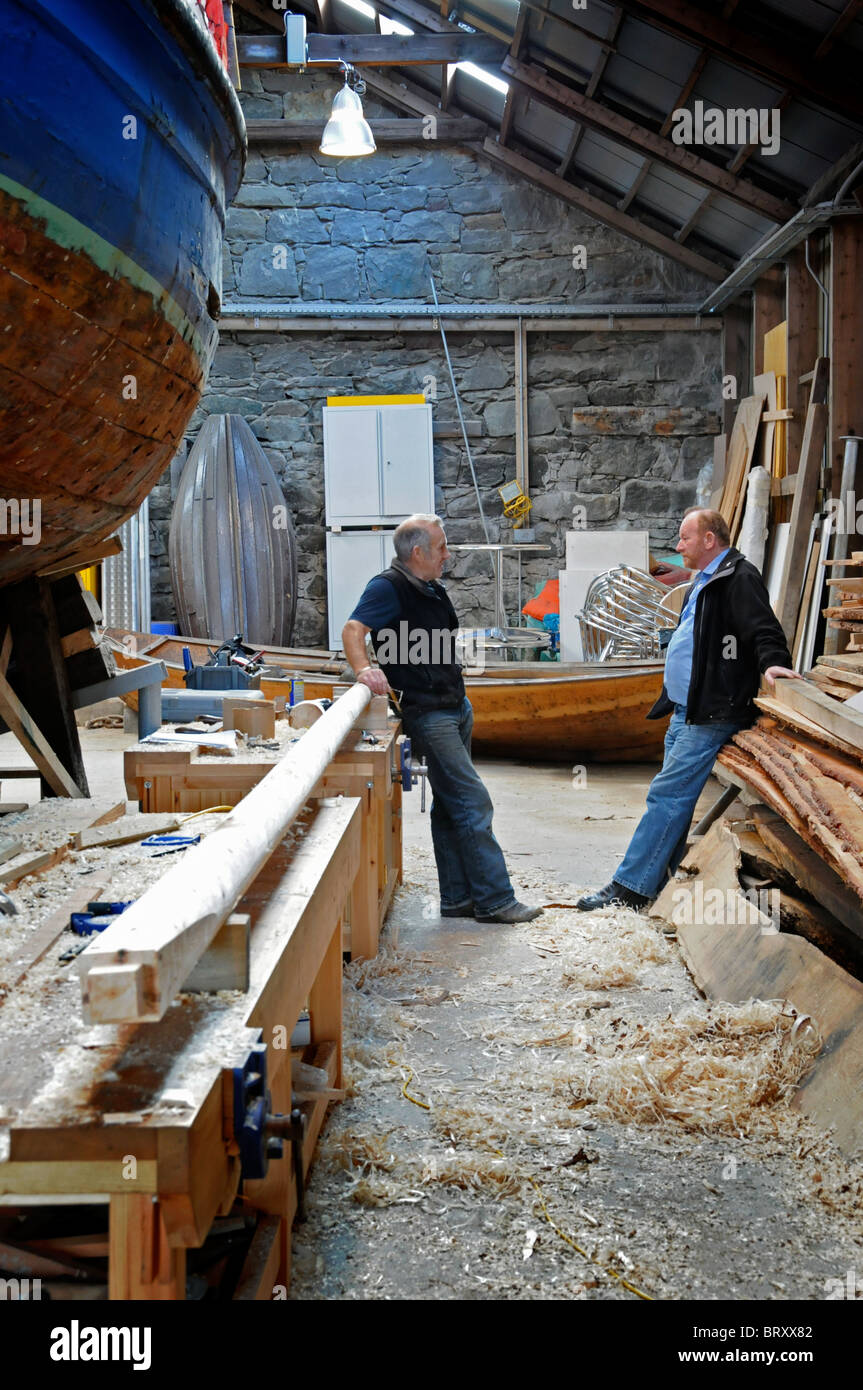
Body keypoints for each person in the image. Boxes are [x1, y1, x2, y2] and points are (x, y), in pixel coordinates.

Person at [577, 507, 801, 911]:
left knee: (666, 797)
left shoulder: (739, 577)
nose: (678, 546)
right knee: (673, 802)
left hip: (712, 712)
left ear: (710, 540)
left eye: (685, 538)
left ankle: (627, 891)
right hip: (686, 708)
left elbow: (763, 628)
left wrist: (772, 663)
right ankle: (655, 884)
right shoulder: (707, 578)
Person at [342, 513, 541, 924]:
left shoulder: (430, 588)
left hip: (454, 705)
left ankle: (457, 899)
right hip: (428, 714)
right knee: (472, 801)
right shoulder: (388, 587)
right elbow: (352, 629)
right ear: (418, 552)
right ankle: (495, 900)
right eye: (441, 548)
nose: (447, 555)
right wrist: (364, 670)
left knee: (450, 808)